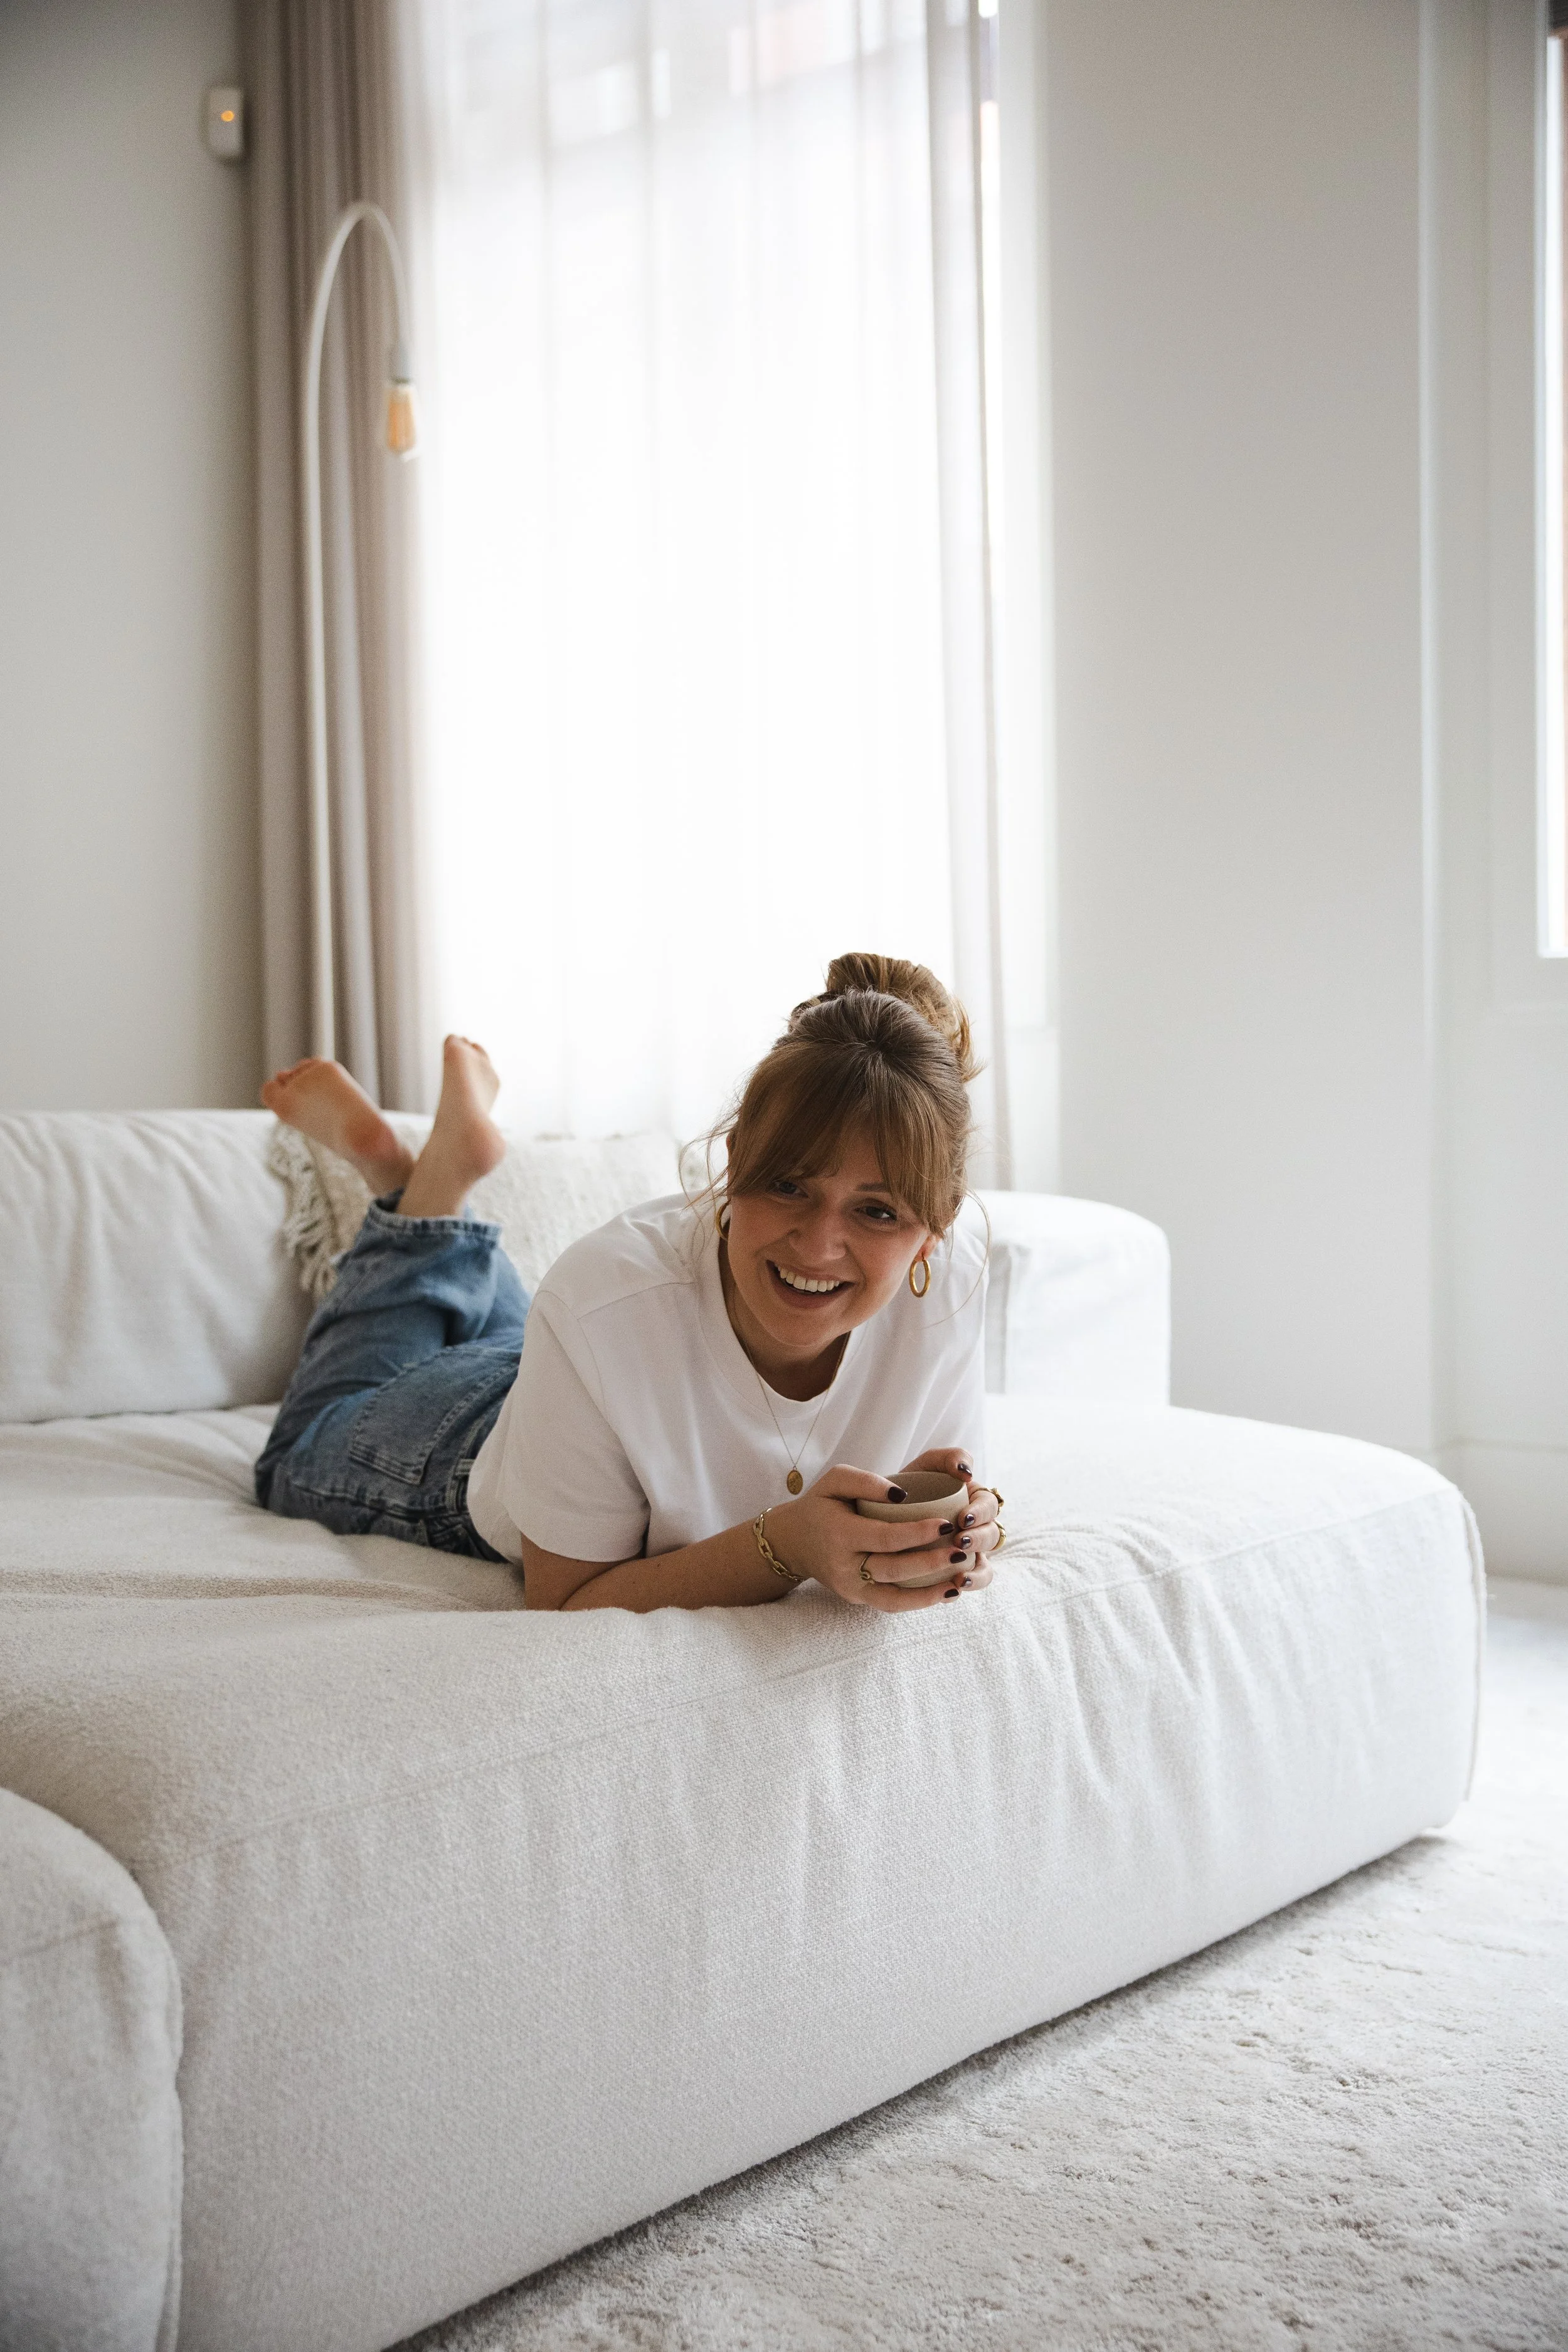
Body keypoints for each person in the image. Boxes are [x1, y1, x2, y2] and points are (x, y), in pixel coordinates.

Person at [254, 953, 1003, 1614]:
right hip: (476, 1439)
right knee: (296, 1452)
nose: (818, 1242)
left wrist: (950, 1525)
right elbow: (566, 1596)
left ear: (935, 1228)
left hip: (579, 1378)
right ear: (734, 1160)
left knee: (553, 1335)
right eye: (785, 1185)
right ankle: (412, 1192)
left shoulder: (952, 1284)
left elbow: (924, 1489)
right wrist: (787, 1547)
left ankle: (425, 1192)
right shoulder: (603, 1299)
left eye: (875, 1211)